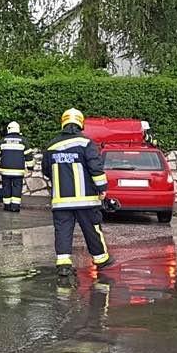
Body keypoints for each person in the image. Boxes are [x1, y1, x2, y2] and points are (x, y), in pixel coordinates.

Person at [42, 108, 114, 276]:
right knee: (92, 229)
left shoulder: (51, 146)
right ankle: (101, 259)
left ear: (63, 122)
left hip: (61, 200)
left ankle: (64, 264)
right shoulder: (86, 143)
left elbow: (46, 170)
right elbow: (95, 168)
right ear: (80, 123)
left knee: (63, 231)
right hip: (86, 200)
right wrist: (102, 189)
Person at [0, 121, 34, 213]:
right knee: (17, 187)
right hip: (18, 170)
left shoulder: (2, 140)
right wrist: (30, 168)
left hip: (5, 170)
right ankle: (15, 207)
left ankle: (7, 206)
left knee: (6, 187)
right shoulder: (23, 141)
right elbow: (29, 156)